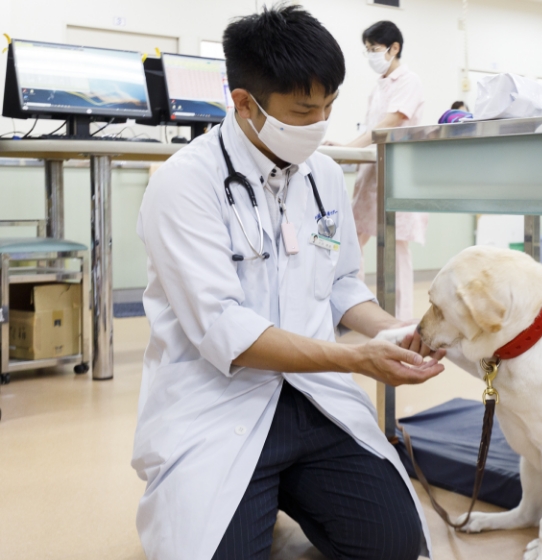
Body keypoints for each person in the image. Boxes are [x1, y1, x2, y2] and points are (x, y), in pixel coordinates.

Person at [130, 6, 444, 560]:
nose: (321, 124)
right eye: (303, 110)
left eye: (329, 106)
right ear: (245, 103)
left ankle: (284, 487)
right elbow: (228, 332)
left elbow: (343, 280)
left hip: (312, 395)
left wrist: (393, 330)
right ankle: (252, 491)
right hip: (218, 401)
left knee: (394, 545)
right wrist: (355, 360)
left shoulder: (322, 174)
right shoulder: (185, 185)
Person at [339, 20, 427, 321]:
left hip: (397, 173)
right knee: (352, 240)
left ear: (394, 48)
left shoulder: (408, 80)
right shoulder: (379, 87)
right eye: (368, 50)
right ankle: (356, 308)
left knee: (396, 248)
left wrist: (350, 147)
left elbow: (389, 122)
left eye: (374, 49)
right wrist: (347, 146)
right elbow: (370, 127)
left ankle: (399, 319)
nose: (371, 55)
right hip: (373, 172)